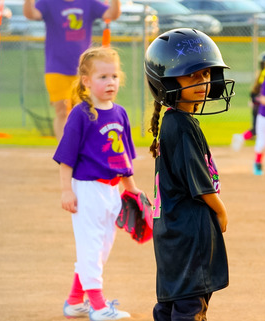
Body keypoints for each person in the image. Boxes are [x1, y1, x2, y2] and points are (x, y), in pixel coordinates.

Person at [144, 28, 235, 321]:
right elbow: (201, 185)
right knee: (190, 307)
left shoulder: (171, 121)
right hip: (189, 232)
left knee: (172, 303)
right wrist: (221, 211)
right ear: (168, 82)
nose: (203, 83)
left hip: (172, 231)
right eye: (192, 76)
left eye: (207, 75)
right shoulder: (182, 125)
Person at [53, 46, 140, 320]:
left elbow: (124, 157)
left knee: (102, 247)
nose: (110, 82)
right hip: (87, 188)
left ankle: (75, 301)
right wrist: (66, 190)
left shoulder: (120, 113)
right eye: (102, 76)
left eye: (114, 76)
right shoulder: (81, 114)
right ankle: (99, 306)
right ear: (87, 81)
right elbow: (66, 157)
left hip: (112, 189)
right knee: (90, 246)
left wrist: (132, 189)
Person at [23, 0, 121, 141]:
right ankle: (65, 154)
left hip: (84, 70)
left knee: (86, 113)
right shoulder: (48, 3)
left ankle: (83, 151)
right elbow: (31, 14)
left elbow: (112, 14)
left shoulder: (89, 3)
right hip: (56, 67)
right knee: (62, 111)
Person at [231, 50, 265, 152]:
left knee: (259, 129)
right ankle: (241, 138)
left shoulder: (261, 74)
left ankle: (242, 138)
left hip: (258, 105)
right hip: (262, 106)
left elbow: (254, 92)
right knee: (263, 128)